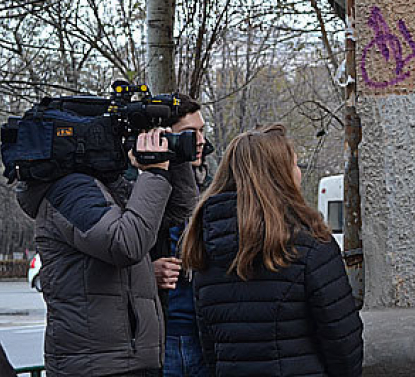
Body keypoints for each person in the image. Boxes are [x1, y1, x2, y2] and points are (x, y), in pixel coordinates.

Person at [181, 123, 363, 376]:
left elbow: (210, 347)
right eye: (294, 165)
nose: (298, 173)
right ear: (281, 175)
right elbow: (343, 342)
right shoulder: (311, 247)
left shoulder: (205, 247)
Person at [16, 129, 176, 376]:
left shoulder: (106, 186)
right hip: (99, 364)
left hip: (125, 359)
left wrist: (175, 158)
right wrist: (154, 172)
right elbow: (126, 245)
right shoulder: (71, 191)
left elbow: (178, 208)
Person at [147, 95, 211, 377]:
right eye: (189, 133)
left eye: (202, 130)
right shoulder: (139, 187)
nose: (199, 140)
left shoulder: (213, 186)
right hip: (162, 334)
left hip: (206, 332)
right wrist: (147, 274)